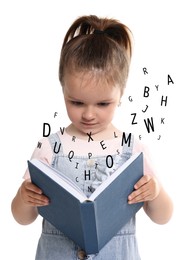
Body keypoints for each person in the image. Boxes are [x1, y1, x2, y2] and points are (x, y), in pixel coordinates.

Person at [11, 15, 173, 260]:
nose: (88, 114)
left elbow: (163, 217)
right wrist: (24, 198)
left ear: (121, 93)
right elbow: (22, 218)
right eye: (76, 102)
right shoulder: (49, 148)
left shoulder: (133, 150)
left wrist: (155, 192)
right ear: (63, 88)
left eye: (102, 103)